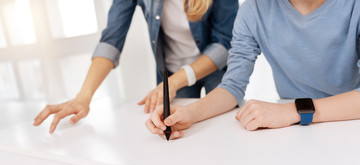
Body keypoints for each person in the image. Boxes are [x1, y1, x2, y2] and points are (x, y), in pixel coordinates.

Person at [146, 0, 360, 140]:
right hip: (294, 133)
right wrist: (189, 113)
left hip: (349, 124)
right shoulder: (254, 10)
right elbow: (232, 86)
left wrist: (293, 111)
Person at [33, 0, 239, 133]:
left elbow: (224, 44)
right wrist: (83, 97)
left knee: (226, 129)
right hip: (172, 70)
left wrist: (175, 81)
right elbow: (111, 40)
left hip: (215, 68)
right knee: (174, 131)